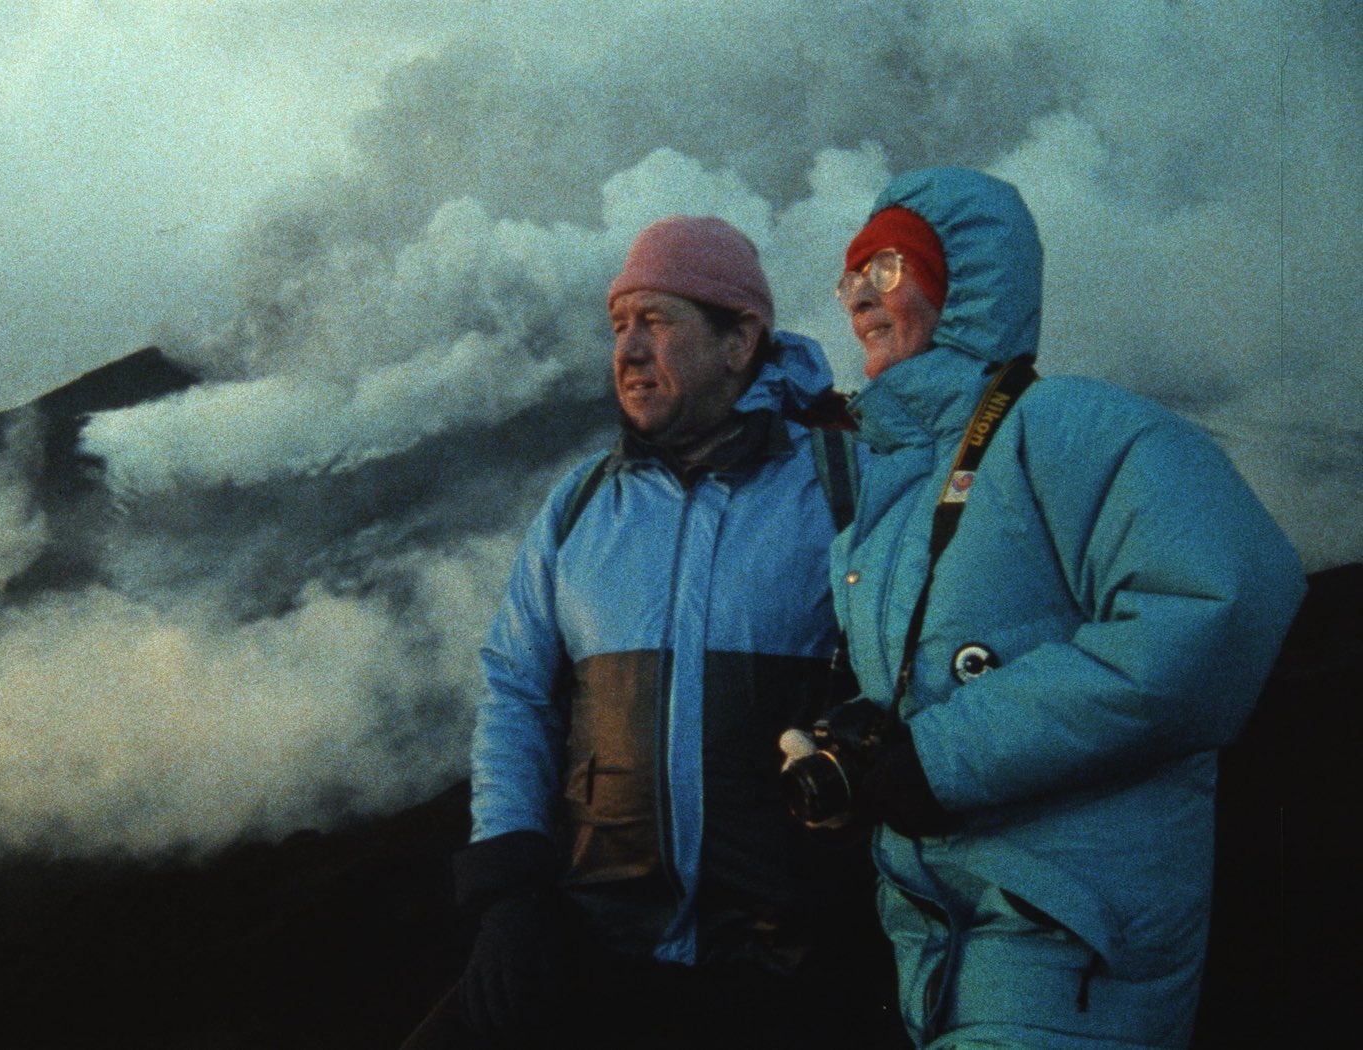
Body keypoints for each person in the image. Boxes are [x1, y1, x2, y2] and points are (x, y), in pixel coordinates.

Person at [784, 167, 1306, 1048]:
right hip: (947, 954)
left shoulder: (1062, 426)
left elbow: (1225, 599)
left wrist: (941, 757)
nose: (860, 301)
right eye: (849, 280)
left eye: (887, 270)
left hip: (1070, 951)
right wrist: (871, 753)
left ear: (966, 285)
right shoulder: (891, 504)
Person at [401, 216, 891, 1049]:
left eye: (656, 322)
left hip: (793, 973)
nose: (626, 350)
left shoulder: (847, 488)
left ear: (740, 341)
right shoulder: (580, 505)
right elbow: (516, 692)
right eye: (618, 326)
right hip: (597, 946)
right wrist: (510, 894)